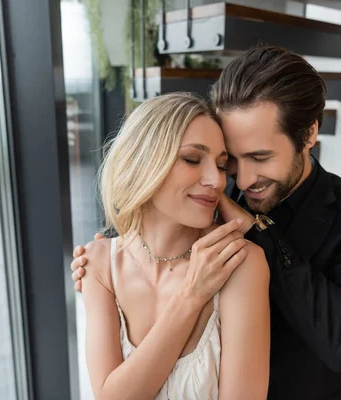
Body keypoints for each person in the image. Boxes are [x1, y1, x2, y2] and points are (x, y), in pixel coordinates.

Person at [72, 46, 341, 399]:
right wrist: (106, 250)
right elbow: (164, 208)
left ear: (308, 135)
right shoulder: (212, 190)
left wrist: (259, 234)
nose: (239, 182)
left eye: (260, 157)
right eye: (232, 161)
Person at [80, 92, 270, 400]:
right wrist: (192, 296)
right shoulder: (98, 265)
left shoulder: (240, 263)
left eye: (221, 166)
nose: (216, 181)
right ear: (143, 162)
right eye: (192, 159)